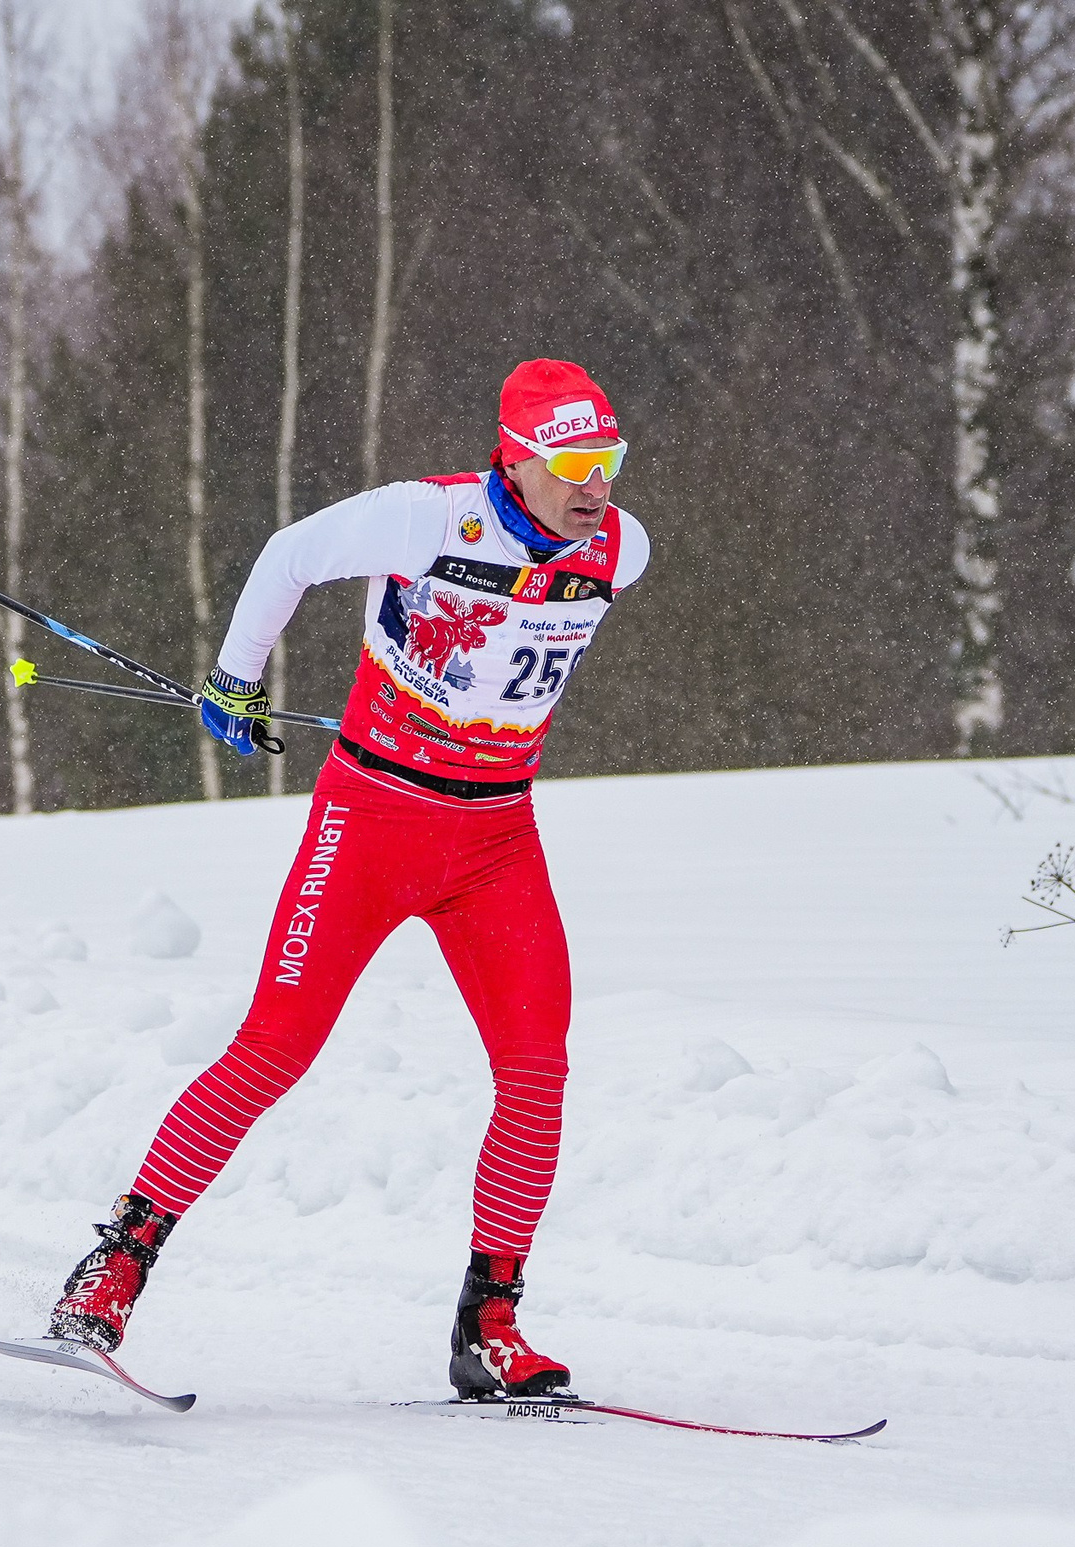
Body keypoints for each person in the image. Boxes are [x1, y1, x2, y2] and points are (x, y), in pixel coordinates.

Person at [45, 359, 648, 1400]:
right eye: (572, 464)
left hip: (496, 840)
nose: (594, 486)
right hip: (372, 819)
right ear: (515, 459)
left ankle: (489, 1326)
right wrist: (236, 678)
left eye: (609, 461)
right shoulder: (426, 519)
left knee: (536, 1070)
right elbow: (291, 554)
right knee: (272, 1048)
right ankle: (111, 1273)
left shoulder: (621, 550)